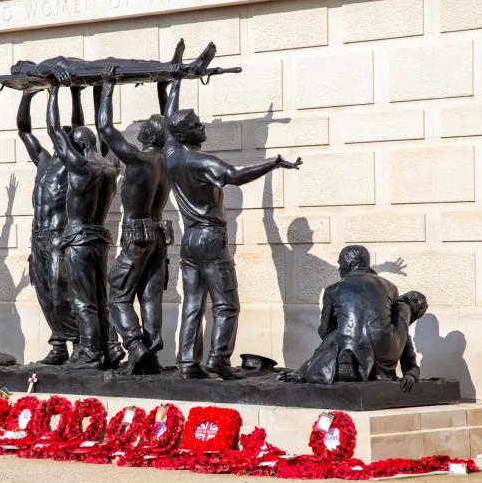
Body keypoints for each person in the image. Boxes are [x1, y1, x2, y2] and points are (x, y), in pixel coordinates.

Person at [163, 63, 302, 380]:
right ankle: (218, 361)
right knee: (226, 305)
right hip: (211, 238)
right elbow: (236, 177)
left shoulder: (171, 154)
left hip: (189, 241)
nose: (203, 128)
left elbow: (169, 118)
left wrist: (177, 78)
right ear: (184, 134)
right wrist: (273, 163)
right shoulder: (203, 161)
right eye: (197, 125)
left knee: (193, 305)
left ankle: (187, 363)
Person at [98, 65, 173, 375]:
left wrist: (108, 87)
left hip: (137, 234)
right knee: (150, 295)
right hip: (158, 235)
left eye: (146, 124)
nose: (141, 126)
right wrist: (165, 85)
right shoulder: (169, 157)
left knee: (118, 294)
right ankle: (152, 350)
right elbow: (169, 120)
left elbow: (105, 128)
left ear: (151, 135)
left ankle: (136, 346)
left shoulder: (139, 159)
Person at [47, 80, 124, 370]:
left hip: (78, 238)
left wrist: (53, 93)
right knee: (101, 299)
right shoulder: (110, 167)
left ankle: (90, 353)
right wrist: (104, 92)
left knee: (83, 300)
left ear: (77, 147)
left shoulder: (79, 168)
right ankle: (111, 347)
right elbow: (108, 129)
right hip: (100, 237)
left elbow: (55, 132)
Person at [283, 245, 427, 392]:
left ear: (347, 264)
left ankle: (338, 362)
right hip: (385, 351)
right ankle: (351, 363)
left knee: (337, 333)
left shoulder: (333, 289)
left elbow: (325, 331)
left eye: (340, 264)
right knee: (393, 315)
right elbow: (399, 330)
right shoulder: (390, 287)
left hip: (351, 345)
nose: (339, 269)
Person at [18, 87, 84, 365]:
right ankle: (59, 346)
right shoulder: (44, 160)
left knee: (63, 294)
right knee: (44, 294)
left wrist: (76, 94)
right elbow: (23, 130)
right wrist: (27, 95)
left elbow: (80, 126)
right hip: (38, 238)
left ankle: (82, 343)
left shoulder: (74, 165)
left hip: (60, 237)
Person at [10, 39, 213, 87]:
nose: (25, 63)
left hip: (89, 66)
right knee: (129, 68)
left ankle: (173, 65)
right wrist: (51, 69)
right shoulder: (29, 69)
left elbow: (43, 69)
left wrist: (52, 68)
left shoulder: (39, 66)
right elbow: (40, 70)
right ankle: (183, 67)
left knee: (131, 64)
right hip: (86, 70)